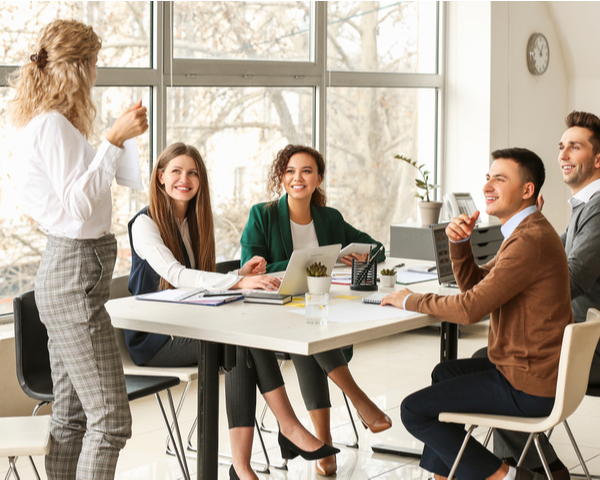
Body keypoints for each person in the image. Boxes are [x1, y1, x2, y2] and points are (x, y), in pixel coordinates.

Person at [127, 142, 338, 480]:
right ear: (160, 177)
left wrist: (241, 276)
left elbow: (195, 284)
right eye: (177, 171)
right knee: (237, 342)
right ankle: (287, 429)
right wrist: (236, 283)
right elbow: (177, 276)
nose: (185, 179)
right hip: (155, 337)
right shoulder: (144, 225)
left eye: (193, 172)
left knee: (241, 340)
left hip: (190, 323)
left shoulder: (193, 221)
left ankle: (245, 464)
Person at [381, 148, 574, 480]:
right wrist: (460, 244)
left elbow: (470, 308)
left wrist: (410, 300)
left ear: (527, 191)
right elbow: (476, 287)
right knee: (445, 373)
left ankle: (506, 477)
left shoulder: (529, 240)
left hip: (527, 384)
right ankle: (444, 476)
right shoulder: (526, 231)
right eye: (488, 177)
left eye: (500, 179)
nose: (488, 186)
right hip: (533, 372)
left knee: (413, 411)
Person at [9, 19, 148, 480]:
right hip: (73, 273)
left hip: (70, 270)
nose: (95, 73)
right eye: (93, 63)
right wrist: (111, 139)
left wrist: (116, 143)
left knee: (70, 417)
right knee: (111, 419)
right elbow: (77, 205)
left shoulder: (51, 124)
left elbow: (87, 194)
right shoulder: (50, 126)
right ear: (78, 66)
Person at [240, 144, 392, 476]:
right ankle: (356, 399)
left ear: (318, 178)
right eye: (291, 171)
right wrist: (317, 260)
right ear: (282, 177)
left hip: (316, 315)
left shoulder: (329, 218)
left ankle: (323, 444)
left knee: (312, 330)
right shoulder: (262, 215)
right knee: (309, 332)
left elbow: (377, 248)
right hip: (270, 320)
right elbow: (250, 271)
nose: (298, 178)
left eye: (307, 171)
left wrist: (359, 255)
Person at [491, 111, 600, 479]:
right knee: (496, 358)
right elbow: (550, 264)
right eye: (561, 146)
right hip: (575, 335)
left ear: (598, 159)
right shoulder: (585, 207)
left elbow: (568, 279)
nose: (563, 155)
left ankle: (529, 472)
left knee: (498, 364)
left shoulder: (599, 211)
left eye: (575, 147)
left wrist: (510, 283)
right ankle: (541, 469)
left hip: (589, 347)